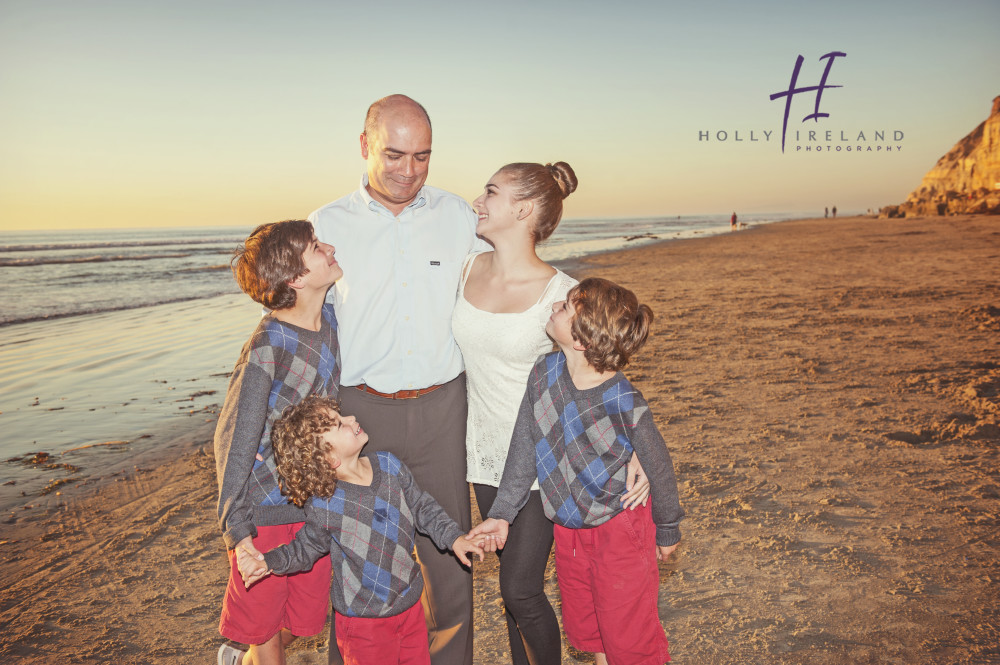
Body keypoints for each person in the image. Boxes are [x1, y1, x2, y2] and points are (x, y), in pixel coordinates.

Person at [308, 94, 486, 665]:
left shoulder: (458, 216)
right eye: (394, 155)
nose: (409, 171)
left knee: (449, 561)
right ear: (363, 147)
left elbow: (500, 297)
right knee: (358, 560)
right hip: (361, 413)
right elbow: (304, 322)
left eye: (423, 157)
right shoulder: (325, 225)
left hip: (443, 408)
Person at [453, 162, 650, 665]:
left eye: (490, 192)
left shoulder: (562, 294)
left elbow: (602, 371)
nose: (478, 200)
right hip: (482, 453)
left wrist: (637, 448)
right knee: (512, 594)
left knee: (519, 588)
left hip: (545, 463)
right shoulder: (465, 267)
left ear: (522, 209)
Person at [470, 277, 684, 665]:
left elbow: (658, 462)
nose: (555, 306)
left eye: (566, 307)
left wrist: (668, 525)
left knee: (628, 634)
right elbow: (523, 449)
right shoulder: (543, 374)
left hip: (619, 530)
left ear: (582, 339)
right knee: (589, 630)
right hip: (568, 529)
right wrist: (502, 513)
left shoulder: (623, 399)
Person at [236, 395, 486, 665]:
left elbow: (423, 508)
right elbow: (304, 549)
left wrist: (454, 537)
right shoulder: (326, 505)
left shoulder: (389, 466)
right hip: (364, 625)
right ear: (328, 458)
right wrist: (268, 561)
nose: (352, 419)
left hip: (410, 606)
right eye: (339, 423)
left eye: (342, 416)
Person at [214, 220, 343, 665]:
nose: (328, 247)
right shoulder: (270, 342)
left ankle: (243, 658)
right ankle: (254, 652)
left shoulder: (329, 321)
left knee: (304, 621)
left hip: (315, 500)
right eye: (315, 247)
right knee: (264, 622)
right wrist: (235, 523)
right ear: (296, 278)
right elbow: (235, 433)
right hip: (263, 506)